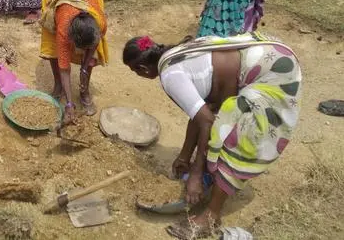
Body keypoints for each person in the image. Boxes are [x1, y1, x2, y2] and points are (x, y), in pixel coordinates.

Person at [122, 33, 301, 239]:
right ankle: (212, 173)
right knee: (218, 120)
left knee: (236, 137)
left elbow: (206, 120)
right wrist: (184, 155)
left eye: (133, 71)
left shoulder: (170, 76)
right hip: (269, 53)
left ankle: (211, 215)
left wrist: (196, 174)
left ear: (142, 69)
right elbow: (200, 111)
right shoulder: (175, 52)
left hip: (274, 73)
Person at [40, 0, 109, 124]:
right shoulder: (64, 28)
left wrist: (84, 68)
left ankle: (84, 92)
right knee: (54, 48)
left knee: (92, 57)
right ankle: (58, 85)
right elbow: (64, 67)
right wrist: (69, 104)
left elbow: (94, 44)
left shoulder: (100, 23)